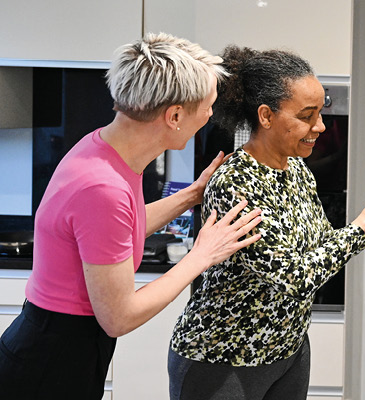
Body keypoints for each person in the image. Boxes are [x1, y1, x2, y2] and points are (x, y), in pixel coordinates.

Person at [0, 33, 263, 399]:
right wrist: (200, 257)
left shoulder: (106, 149)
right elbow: (119, 316)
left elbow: (122, 225)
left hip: (55, 348)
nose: (209, 116)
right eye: (208, 106)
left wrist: (192, 194)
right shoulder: (102, 187)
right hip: (51, 363)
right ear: (174, 116)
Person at [167, 46, 365, 399]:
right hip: (223, 359)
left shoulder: (296, 170)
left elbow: (325, 250)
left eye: (321, 112)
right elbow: (294, 277)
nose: (321, 126)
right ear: (266, 116)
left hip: (288, 352)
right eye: (307, 116)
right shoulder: (234, 183)